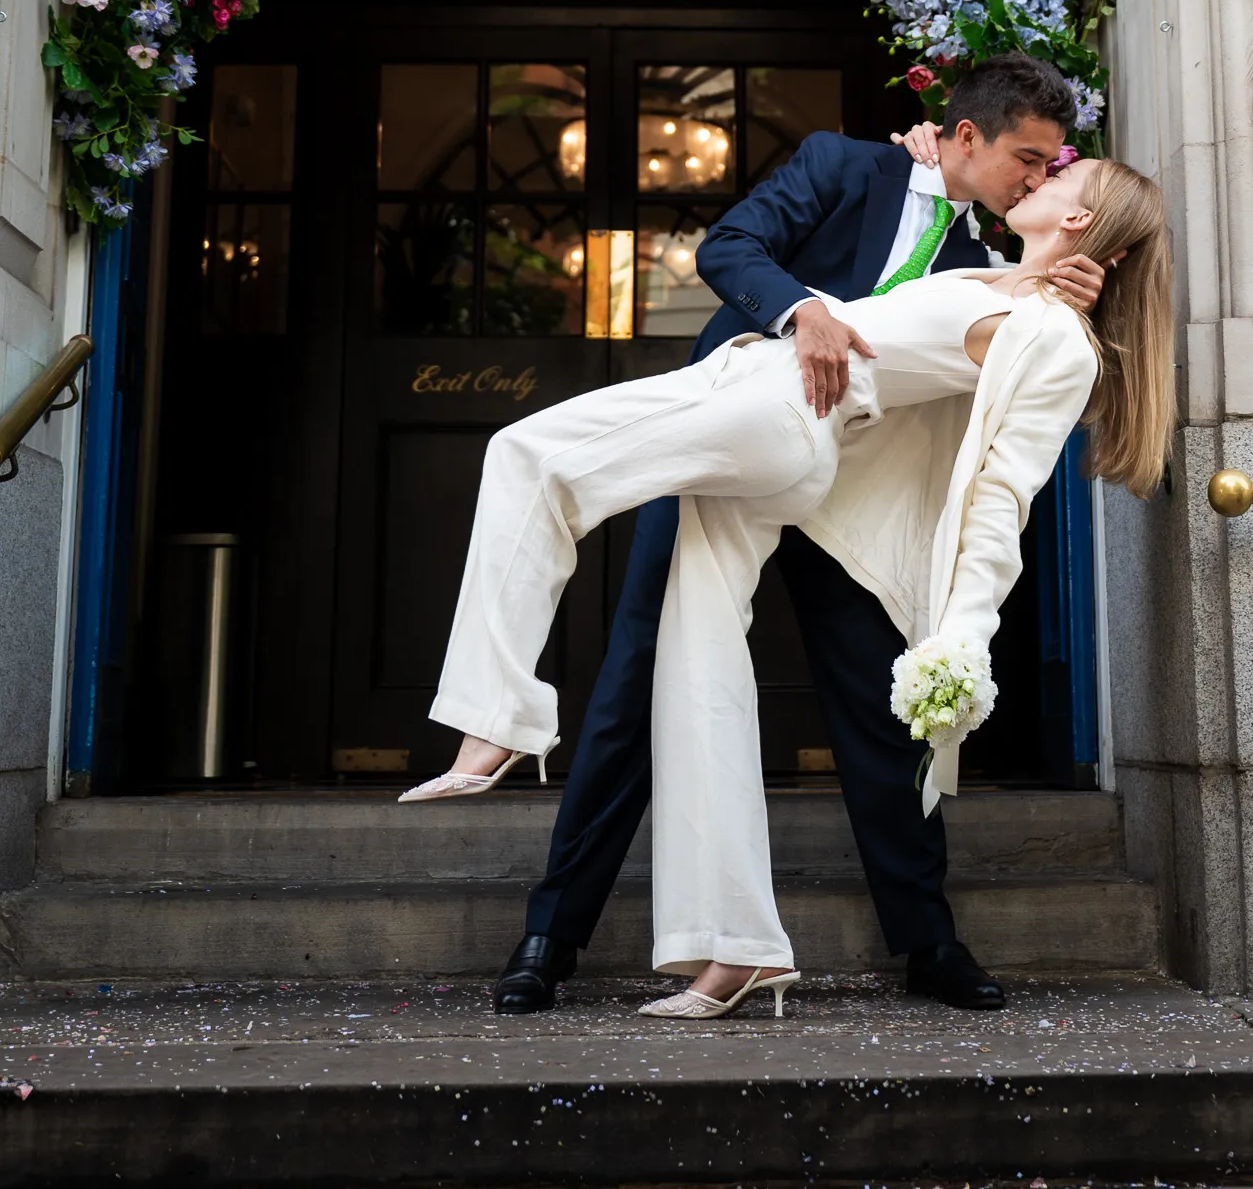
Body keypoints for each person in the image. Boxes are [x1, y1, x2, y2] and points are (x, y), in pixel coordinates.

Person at [404, 156, 1174, 1025]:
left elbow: (1001, 497)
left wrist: (960, 640)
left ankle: (494, 718)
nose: (1045, 173)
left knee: (526, 455)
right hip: (770, 417)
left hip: (775, 415)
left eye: (1063, 174)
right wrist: (1035, 265)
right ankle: (734, 947)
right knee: (694, 670)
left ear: (1078, 223)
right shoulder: (1004, 280)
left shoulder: (1050, 338)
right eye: (1036, 160)